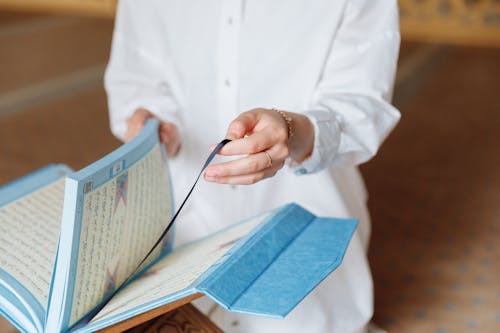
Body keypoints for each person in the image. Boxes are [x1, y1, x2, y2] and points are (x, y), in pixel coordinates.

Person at [105, 0, 401, 332]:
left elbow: (361, 108)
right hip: (184, 217)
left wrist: (293, 131)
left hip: (304, 216)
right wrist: (154, 126)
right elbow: (137, 82)